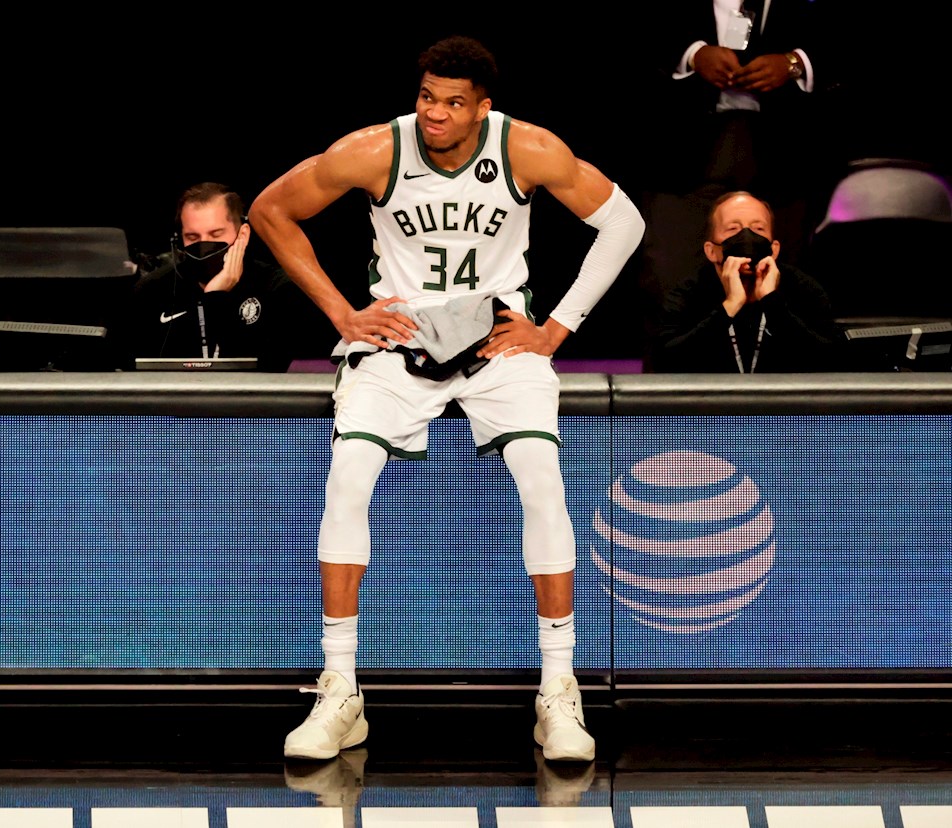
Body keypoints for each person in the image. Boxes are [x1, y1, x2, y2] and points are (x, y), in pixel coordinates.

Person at [249, 34, 644, 763]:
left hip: (497, 344)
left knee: (543, 484)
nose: (435, 113)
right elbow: (271, 210)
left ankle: (559, 692)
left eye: (453, 103)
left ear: (482, 108)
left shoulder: (526, 149)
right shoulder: (374, 151)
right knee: (347, 481)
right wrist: (342, 314)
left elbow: (625, 222)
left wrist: (556, 329)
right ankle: (340, 689)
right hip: (398, 341)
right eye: (427, 97)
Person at [629, 0, 845, 369]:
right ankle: (661, 404)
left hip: (788, 153)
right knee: (669, 275)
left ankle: (787, 401)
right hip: (683, 151)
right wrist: (693, 55)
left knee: (784, 279)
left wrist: (794, 63)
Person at [650, 190, 840, 373]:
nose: (747, 236)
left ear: (774, 250)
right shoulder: (688, 294)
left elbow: (829, 361)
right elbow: (665, 363)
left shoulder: (803, 289)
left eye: (758, 228)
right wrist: (730, 306)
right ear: (711, 251)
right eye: (733, 229)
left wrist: (772, 304)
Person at [126, 182, 299, 371]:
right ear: (179, 240)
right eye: (192, 237)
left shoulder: (275, 287)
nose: (204, 246)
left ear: (243, 235)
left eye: (216, 234)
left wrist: (216, 298)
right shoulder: (151, 290)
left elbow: (268, 369)